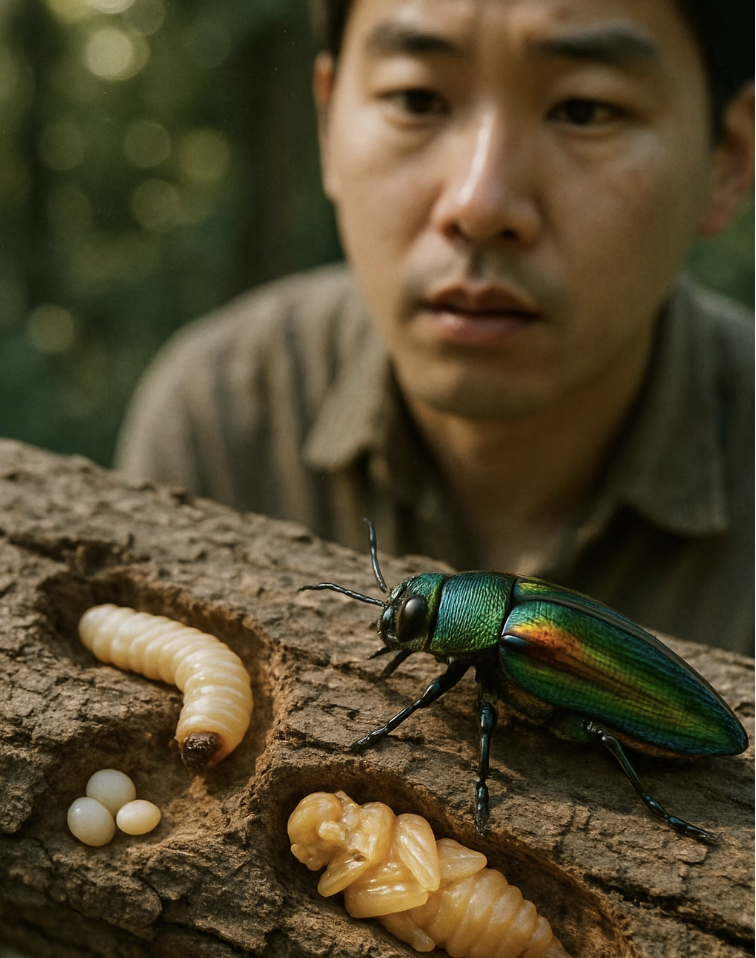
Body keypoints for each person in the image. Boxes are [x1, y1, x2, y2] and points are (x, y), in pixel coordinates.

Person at [116, 0, 754, 655]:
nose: (479, 204)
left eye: (584, 110)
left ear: (728, 158)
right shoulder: (225, 420)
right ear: (330, 124)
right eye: (417, 99)